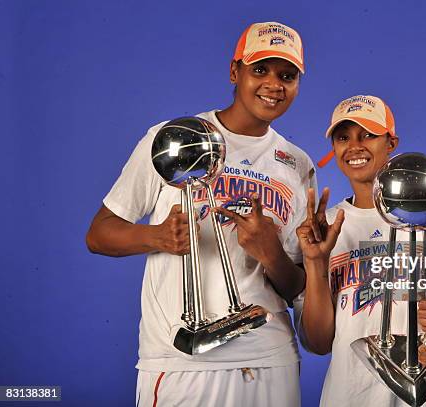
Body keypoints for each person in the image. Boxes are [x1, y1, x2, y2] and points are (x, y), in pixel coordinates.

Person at [86, 22, 315, 407]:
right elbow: (99, 234)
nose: (274, 84)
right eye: (260, 69)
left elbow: (296, 287)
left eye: (287, 75)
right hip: (184, 361)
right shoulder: (175, 136)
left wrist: (270, 252)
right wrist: (155, 236)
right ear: (234, 71)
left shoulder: (297, 163)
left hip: (271, 357)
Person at [295, 95, 426, 406]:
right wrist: (315, 262)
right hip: (353, 393)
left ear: (391, 142)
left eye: (367, 134)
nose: (354, 146)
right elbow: (318, 342)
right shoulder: (325, 225)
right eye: (343, 137)